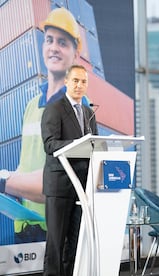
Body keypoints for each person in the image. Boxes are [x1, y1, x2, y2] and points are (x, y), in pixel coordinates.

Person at [0, 7, 86, 243]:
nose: (54, 48)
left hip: (57, 232)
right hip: (25, 230)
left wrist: (5, 182)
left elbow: (54, 182)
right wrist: (9, 180)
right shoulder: (31, 105)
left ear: (76, 53)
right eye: (49, 40)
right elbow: (25, 165)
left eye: (62, 42)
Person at [41, 64, 98, 276]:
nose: (79, 85)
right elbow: (50, 144)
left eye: (83, 82)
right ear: (66, 82)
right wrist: (77, 144)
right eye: (75, 80)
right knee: (56, 243)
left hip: (83, 187)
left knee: (75, 242)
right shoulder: (54, 109)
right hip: (60, 184)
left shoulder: (89, 112)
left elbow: (94, 146)